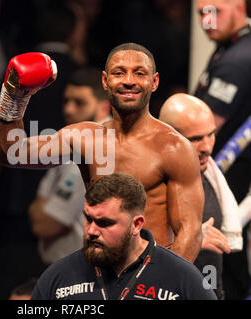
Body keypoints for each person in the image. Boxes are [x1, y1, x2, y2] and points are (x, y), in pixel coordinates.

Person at [0, 42, 204, 263]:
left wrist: (164, 289)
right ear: (105, 81)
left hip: (150, 276)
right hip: (98, 274)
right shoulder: (85, 138)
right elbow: (9, 153)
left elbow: (189, 231)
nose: (129, 80)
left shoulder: (174, 147)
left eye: (139, 73)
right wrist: (14, 97)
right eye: (119, 73)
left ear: (154, 82)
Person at [31, 173, 217, 300]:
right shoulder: (57, 278)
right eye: (88, 219)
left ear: (136, 225)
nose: (91, 231)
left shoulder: (183, 278)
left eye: (105, 223)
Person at [159, 93, 245, 299]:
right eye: (195, 139)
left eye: (211, 134)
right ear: (168, 138)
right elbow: (130, 259)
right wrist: (190, 242)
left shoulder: (209, 174)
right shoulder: (150, 185)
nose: (207, 147)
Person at [195, 0, 251, 299]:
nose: (207, 20)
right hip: (225, 174)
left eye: (214, 11)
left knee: (221, 259)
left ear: (240, 6)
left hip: (226, 175)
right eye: (201, 13)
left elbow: (201, 128)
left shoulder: (238, 58)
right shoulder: (230, 47)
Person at [28, 67, 111, 265]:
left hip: (81, 269)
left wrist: (43, 205)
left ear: (104, 108)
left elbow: (45, 224)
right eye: (66, 101)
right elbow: (38, 205)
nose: (68, 109)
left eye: (79, 103)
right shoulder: (68, 141)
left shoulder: (93, 150)